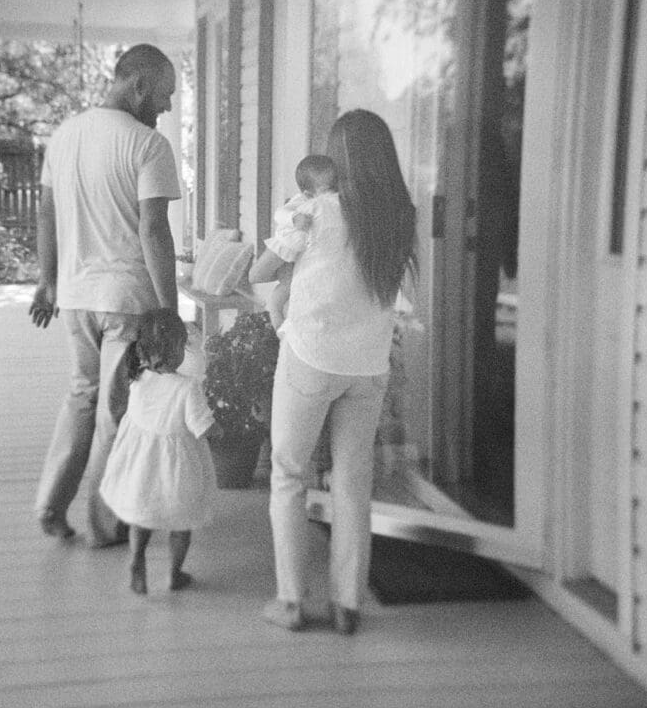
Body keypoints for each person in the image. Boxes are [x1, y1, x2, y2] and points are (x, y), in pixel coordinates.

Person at [248, 110, 417, 635]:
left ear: (337, 157)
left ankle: (292, 602)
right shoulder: (400, 216)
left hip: (311, 357)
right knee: (351, 484)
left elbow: (265, 270)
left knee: (290, 475)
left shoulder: (318, 210)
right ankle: (348, 604)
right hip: (368, 366)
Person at [29, 43, 180, 547]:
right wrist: (170, 310)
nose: (167, 107)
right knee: (115, 411)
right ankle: (104, 524)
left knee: (81, 398)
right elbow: (154, 231)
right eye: (164, 94)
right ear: (137, 85)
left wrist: (48, 281)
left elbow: (46, 214)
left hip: (74, 296)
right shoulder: (147, 146)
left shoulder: (64, 134)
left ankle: (51, 505)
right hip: (125, 300)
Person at [99, 309, 218, 594]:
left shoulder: (138, 377)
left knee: (143, 516)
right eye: (182, 346)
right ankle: (175, 574)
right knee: (181, 522)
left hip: (141, 464)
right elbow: (203, 427)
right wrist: (221, 429)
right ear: (175, 351)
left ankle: (137, 560)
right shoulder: (187, 388)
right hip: (177, 469)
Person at [263, 154, 337, 331]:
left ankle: (282, 324)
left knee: (288, 289)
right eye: (327, 189)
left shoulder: (330, 206)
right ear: (308, 194)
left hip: (302, 257)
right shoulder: (301, 201)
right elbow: (279, 214)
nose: (333, 194)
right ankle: (275, 317)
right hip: (287, 249)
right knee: (278, 295)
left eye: (335, 187)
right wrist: (294, 217)